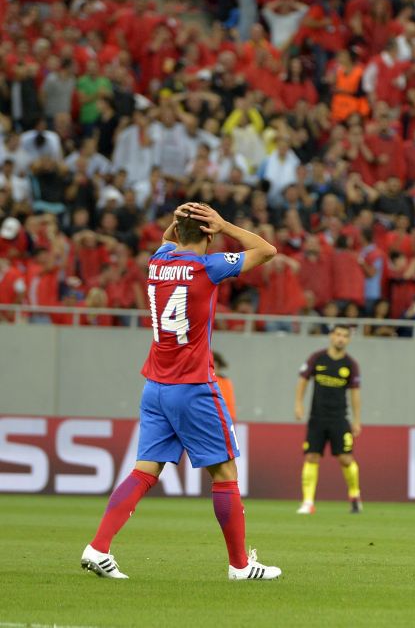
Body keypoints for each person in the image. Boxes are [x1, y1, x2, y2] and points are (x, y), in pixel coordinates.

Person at [81, 203, 281, 580]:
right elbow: (267, 251)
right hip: (193, 387)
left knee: (144, 470)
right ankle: (240, 566)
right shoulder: (209, 266)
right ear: (209, 235)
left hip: (155, 386)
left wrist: (180, 223)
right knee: (224, 472)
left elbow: (165, 239)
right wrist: (225, 224)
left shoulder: (158, 261)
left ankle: (98, 547)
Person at [294, 325, 363, 514]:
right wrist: (298, 404)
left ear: (348, 340)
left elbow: (355, 393)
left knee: (346, 459)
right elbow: (303, 380)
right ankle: (308, 502)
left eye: (345, 336)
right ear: (331, 336)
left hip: (339, 418)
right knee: (311, 456)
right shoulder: (317, 358)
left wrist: (357, 420)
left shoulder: (350, 364)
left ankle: (355, 495)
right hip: (317, 418)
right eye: (338, 334)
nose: (341, 339)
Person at [214, 353, 237, 423]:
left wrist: (231, 418)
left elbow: (229, 402)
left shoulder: (225, 382)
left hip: (223, 419)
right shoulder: (203, 382)